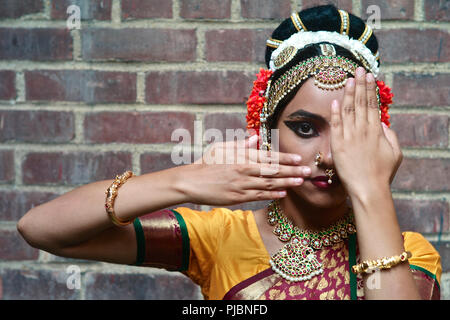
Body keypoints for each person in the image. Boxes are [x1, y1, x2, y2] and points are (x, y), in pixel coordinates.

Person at [17, 5, 441, 300]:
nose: (329, 155)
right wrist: (183, 179)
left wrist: (370, 187)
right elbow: (41, 228)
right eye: (306, 128)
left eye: (350, 131)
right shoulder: (221, 237)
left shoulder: (411, 253)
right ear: (267, 132)